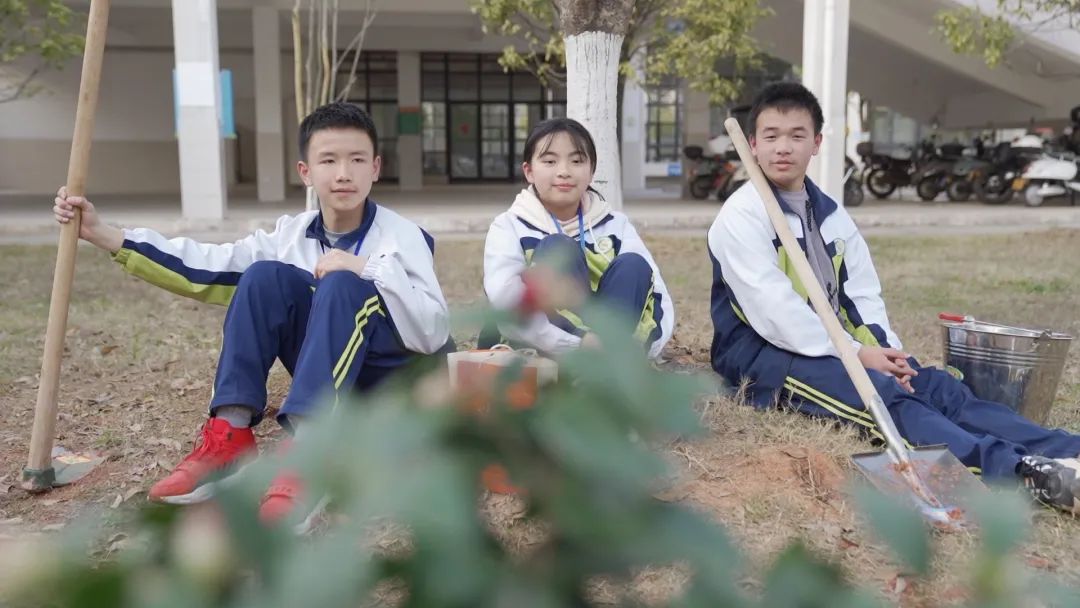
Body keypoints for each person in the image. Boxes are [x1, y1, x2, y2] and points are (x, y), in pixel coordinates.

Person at [53, 102, 451, 522]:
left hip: (393, 393)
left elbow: (432, 332)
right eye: (328, 160)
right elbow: (207, 265)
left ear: (375, 168)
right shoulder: (290, 235)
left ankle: (312, 455)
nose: (343, 174)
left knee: (340, 283)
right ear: (305, 172)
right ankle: (231, 436)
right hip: (337, 387)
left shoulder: (403, 236)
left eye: (356, 160)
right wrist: (105, 234)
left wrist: (364, 268)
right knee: (262, 276)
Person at [707, 81, 1080, 513]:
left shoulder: (829, 214)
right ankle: (1022, 474)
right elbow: (775, 313)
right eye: (771, 136)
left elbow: (861, 296)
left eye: (796, 135)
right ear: (753, 144)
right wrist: (856, 356)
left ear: (817, 144)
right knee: (885, 397)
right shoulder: (741, 216)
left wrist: (889, 355)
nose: (783, 147)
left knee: (937, 388)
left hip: (840, 345)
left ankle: (1065, 449)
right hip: (765, 355)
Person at [481, 117, 674, 359]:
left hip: (609, 352)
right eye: (550, 161)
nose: (564, 172)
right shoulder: (509, 226)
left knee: (633, 265)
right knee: (557, 248)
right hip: (539, 354)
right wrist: (578, 343)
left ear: (591, 171)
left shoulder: (617, 225)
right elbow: (506, 301)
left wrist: (639, 348)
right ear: (529, 171)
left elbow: (657, 297)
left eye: (576, 161)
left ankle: (607, 366)